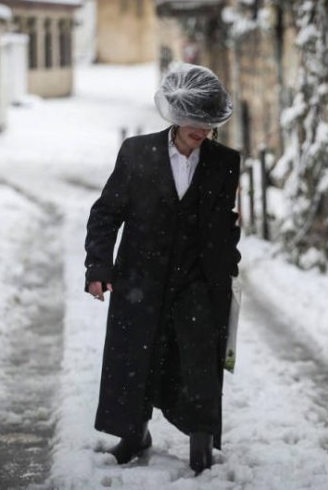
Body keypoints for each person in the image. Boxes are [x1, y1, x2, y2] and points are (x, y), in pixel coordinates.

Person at [84, 63, 241, 474]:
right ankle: (133, 434)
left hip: (198, 281)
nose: (202, 130)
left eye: (209, 122)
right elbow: (106, 214)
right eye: (195, 119)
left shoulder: (225, 163)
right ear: (174, 113)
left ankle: (202, 443)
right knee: (134, 356)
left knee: (199, 362)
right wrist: (99, 265)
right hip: (141, 277)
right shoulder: (137, 153)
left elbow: (225, 226)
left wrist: (228, 273)